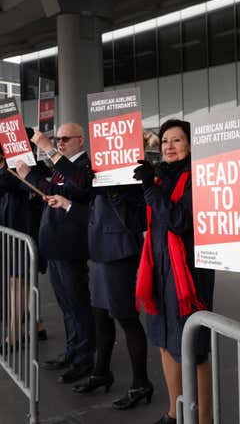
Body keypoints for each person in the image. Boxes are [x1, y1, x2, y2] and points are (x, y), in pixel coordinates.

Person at [41, 166, 152, 405]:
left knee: (127, 319)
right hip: (102, 253)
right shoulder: (99, 176)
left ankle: (141, 383)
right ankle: (101, 372)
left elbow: (133, 218)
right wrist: (67, 205)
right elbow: (93, 216)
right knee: (100, 316)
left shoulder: (131, 179)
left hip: (120, 255)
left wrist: (114, 190)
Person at [133, 119, 213, 424]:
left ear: (190, 145)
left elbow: (179, 220)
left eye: (177, 140)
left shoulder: (198, 177)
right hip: (159, 272)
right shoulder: (161, 178)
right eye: (165, 140)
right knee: (166, 344)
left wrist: (150, 190)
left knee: (196, 351)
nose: (169, 146)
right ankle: (175, 412)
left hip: (188, 278)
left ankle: (204, 419)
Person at [17, 123, 95, 384]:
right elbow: (52, 190)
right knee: (66, 306)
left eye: (65, 139)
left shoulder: (82, 166)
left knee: (78, 304)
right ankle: (73, 352)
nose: (59, 143)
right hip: (55, 245)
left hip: (71, 246)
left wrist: (36, 172)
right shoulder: (61, 167)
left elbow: (74, 190)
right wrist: (29, 176)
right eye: (57, 139)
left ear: (80, 141)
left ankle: (85, 358)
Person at [0, 128, 49, 347]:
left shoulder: (23, 169)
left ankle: (13, 335)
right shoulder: (19, 168)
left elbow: (5, 183)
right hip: (19, 232)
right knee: (23, 283)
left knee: (16, 283)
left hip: (24, 232)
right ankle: (36, 325)